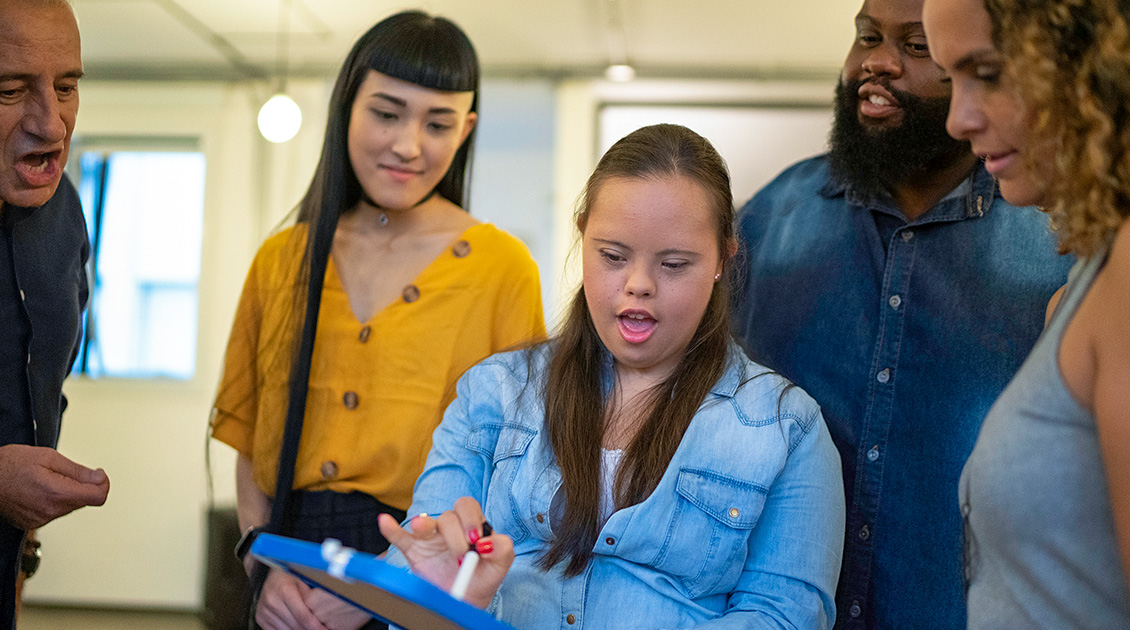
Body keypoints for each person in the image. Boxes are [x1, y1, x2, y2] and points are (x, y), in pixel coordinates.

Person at [379, 123, 845, 629]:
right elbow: (414, 575)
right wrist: (443, 602)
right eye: (613, 257)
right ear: (582, 234)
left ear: (723, 257)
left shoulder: (787, 427)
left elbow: (783, 617)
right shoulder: (493, 393)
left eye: (673, 264)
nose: (638, 285)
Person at [732, 0, 1075, 627]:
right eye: (866, 37)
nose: (876, 63)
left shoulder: (1056, 236)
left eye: (916, 46)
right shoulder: (769, 223)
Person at [208, 11, 545, 630]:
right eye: (386, 113)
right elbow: (251, 441)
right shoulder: (283, 259)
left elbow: (516, 466)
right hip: (285, 570)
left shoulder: (503, 269)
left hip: (424, 567)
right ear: (347, 108)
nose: (408, 145)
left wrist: (385, 581)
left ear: (466, 129)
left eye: (438, 123)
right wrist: (262, 561)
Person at [925, 0, 1130, 628]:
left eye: (988, 72)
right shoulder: (1085, 287)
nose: (957, 120)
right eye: (949, 79)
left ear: (1098, 60)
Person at [0, 1, 110, 627]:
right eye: (8, 90)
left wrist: (24, 550)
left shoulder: (65, 216)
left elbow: (42, 389)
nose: (52, 124)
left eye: (67, 87)